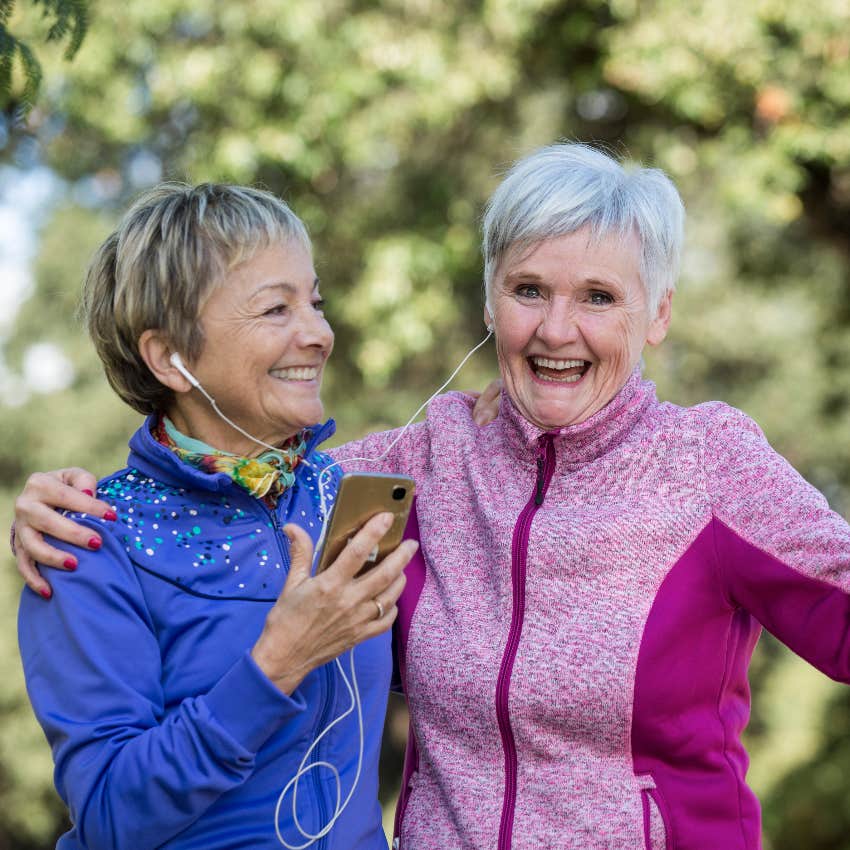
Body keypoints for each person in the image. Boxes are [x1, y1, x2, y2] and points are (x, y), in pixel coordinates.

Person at [14, 142, 850, 850]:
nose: (557, 330)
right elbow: (221, 472)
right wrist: (60, 498)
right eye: (529, 290)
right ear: (491, 301)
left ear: (658, 312)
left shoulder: (708, 462)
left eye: (599, 297)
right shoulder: (413, 465)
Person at [14, 182, 421, 850]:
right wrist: (277, 662)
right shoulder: (86, 539)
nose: (319, 334)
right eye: (276, 310)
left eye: (314, 302)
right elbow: (112, 818)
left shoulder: (350, 494)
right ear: (170, 357)